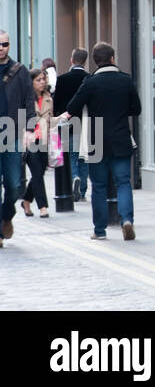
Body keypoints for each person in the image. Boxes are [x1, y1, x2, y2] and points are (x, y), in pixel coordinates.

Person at [59, 42, 141, 241]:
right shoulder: (125, 80)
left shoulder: (90, 83)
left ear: (95, 61)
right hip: (121, 138)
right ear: (112, 58)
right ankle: (127, 220)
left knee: (99, 186)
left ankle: (100, 230)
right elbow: (136, 109)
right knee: (123, 182)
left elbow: (73, 106)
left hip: (97, 141)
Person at [0, 32, 35, 247]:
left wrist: (30, 128)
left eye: (4, 44)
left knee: (14, 185)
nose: (1, 48)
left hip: (12, 133)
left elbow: (29, 100)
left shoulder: (19, 71)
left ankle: (6, 216)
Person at [52, 48, 90, 201]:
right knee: (84, 157)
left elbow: (56, 103)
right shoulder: (89, 78)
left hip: (66, 122)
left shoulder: (62, 79)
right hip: (86, 124)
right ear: (85, 62)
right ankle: (82, 190)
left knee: (71, 155)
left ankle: (74, 177)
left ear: (71, 60)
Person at [20, 64, 54, 217]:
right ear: (31, 82)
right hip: (30, 140)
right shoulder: (24, 99)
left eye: (43, 79)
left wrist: (60, 119)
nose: (42, 82)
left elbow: (50, 120)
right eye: (38, 80)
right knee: (38, 174)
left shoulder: (48, 98)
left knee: (39, 173)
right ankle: (43, 207)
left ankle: (26, 201)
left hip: (44, 140)